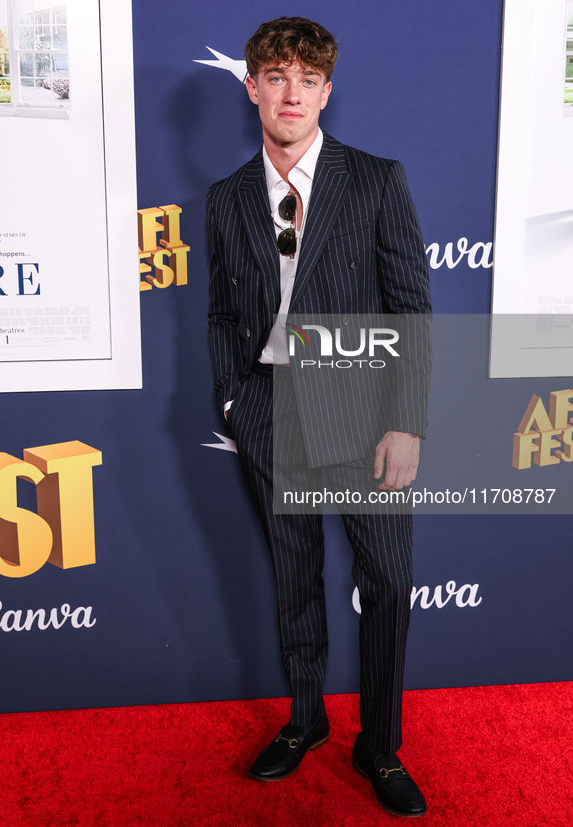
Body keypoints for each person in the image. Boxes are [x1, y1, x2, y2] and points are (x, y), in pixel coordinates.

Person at [207, 17, 431, 818]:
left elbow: (410, 309)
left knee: (389, 580)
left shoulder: (375, 179)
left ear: (326, 90)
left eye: (306, 77)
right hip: (271, 413)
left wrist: (405, 422)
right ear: (253, 89)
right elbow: (221, 312)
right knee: (294, 579)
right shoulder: (227, 197)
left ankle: (379, 744)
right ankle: (304, 720)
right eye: (274, 76)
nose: (290, 91)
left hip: (368, 419)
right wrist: (233, 400)